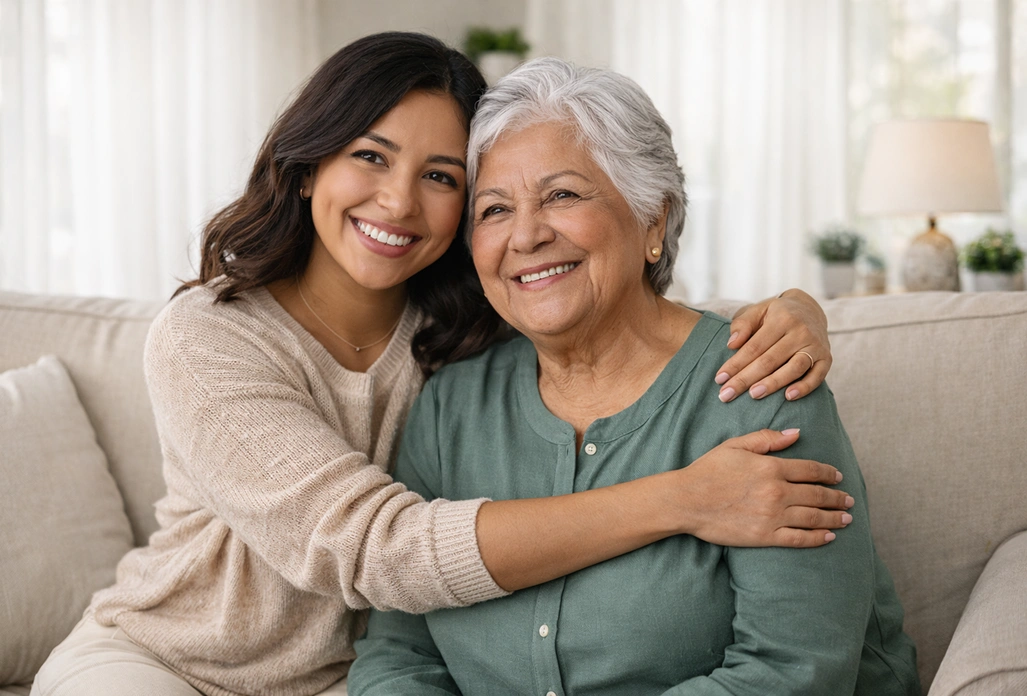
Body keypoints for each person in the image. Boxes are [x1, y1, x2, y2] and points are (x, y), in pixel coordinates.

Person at [33, 34, 850, 696]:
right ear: (312, 158)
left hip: (339, 680)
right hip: (163, 661)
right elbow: (375, 549)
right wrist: (682, 498)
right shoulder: (209, 338)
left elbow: (626, 309)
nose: (397, 202)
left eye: (441, 178)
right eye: (371, 156)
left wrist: (800, 309)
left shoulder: (472, 328)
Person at [348, 57, 920, 695]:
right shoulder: (452, 405)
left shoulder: (762, 380)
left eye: (562, 195)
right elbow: (397, 656)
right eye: (493, 210)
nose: (526, 235)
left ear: (654, 219)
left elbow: (791, 671)